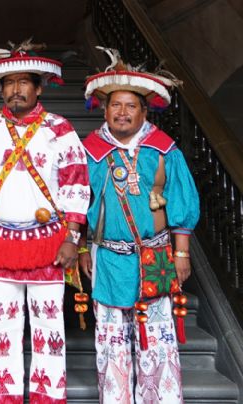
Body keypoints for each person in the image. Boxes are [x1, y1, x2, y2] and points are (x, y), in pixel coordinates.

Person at [0, 42, 90, 403]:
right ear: (0, 89)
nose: (15, 90)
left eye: (24, 82)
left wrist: (72, 237)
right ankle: (0, 397)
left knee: (49, 328)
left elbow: (76, 185)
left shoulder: (60, 130)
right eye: (9, 82)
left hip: (49, 244)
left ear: (38, 88)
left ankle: (47, 397)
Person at [79, 48, 199, 403]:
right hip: (108, 258)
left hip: (157, 255)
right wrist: (84, 247)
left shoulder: (164, 150)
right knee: (111, 343)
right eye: (116, 105)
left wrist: (182, 252)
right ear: (105, 109)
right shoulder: (90, 151)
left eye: (131, 106)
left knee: (159, 342)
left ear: (144, 111)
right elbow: (76, 204)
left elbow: (182, 201)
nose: (122, 112)